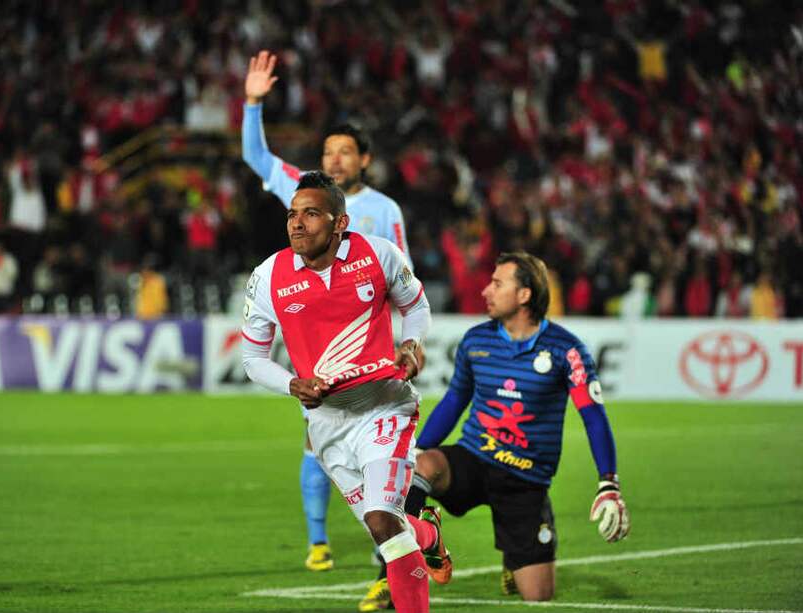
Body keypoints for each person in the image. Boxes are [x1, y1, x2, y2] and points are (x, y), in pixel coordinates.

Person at [365, 251, 630, 605]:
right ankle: (393, 578)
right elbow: (454, 402)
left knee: (538, 597)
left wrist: (608, 483)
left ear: (524, 295)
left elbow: (593, 416)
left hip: (526, 479)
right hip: (474, 458)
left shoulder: (567, 350)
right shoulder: (477, 341)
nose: (486, 291)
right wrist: (414, 449)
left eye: (497, 283)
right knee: (417, 468)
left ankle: (515, 553)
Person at [242, 171, 450, 613]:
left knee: (384, 524)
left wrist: (412, 344)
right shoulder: (268, 277)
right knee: (388, 527)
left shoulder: (378, 255)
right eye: (292, 215)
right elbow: (253, 359)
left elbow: (416, 308)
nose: (297, 224)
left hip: (384, 406)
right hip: (326, 423)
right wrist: (292, 384)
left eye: (311, 214)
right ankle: (428, 534)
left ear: (340, 223)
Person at [242, 49, 412, 572]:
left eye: (345, 152)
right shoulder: (304, 195)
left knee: (377, 455)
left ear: (364, 160)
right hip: (317, 348)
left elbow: (401, 282)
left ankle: (390, 549)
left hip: (374, 356)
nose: (334, 160)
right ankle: (321, 541)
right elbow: (257, 158)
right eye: (328, 151)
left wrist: (410, 338)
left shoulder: (384, 213)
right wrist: (252, 104)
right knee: (317, 440)